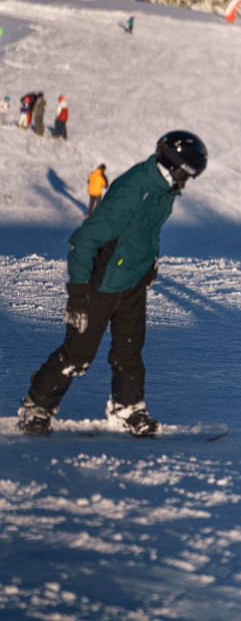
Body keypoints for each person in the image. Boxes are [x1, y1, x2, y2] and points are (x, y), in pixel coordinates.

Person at [18, 130, 208, 437]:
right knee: (78, 354)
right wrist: (78, 295)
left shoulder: (164, 190)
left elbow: (149, 233)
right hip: (102, 283)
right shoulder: (134, 191)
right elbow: (82, 241)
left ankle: (127, 409)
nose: (188, 182)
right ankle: (37, 405)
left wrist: (151, 264)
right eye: (189, 175)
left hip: (133, 282)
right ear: (176, 167)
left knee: (129, 350)